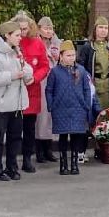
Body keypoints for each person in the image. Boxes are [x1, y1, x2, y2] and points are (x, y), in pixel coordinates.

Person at [0, 19, 30, 181]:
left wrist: (27, 72)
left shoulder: (17, 52)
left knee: (15, 137)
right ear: (7, 36)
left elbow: (26, 67)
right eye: (17, 35)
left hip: (16, 103)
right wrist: (11, 76)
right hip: (0, 104)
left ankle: (12, 167)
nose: (20, 38)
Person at [45, 40, 93, 174]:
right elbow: (49, 90)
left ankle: (74, 164)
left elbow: (86, 89)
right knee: (63, 136)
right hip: (60, 108)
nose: (71, 58)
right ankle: (63, 164)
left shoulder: (81, 70)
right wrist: (51, 105)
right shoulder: (55, 72)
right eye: (68, 55)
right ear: (61, 56)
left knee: (76, 136)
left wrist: (86, 104)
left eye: (73, 55)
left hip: (78, 108)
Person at [16, 12, 51, 174]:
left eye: (25, 28)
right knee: (15, 129)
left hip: (32, 91)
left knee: (29, 129)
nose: (23, 32)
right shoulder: (13, 42)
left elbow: (44, 65)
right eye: (20, 29)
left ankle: (27, 159)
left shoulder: (37, 43)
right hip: (15, 91)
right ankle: (12, 160)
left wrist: (35, 78)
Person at [77, 16, 109, 113]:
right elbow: (81, 66)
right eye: (101, 27)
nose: (103, 30)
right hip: (94, 85)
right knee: (96, 113)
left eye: (106, 28)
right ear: (95, 29)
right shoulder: (88, 47)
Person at [34, 16, 61, 163]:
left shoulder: (56, 43)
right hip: (40, 82)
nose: (49, 31)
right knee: (41, 117)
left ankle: (48, 149)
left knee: (51, 116)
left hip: (53, 82)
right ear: (39, 29)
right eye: (46, 28)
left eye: (51, 28)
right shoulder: (36, 43)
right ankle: (39, 150)